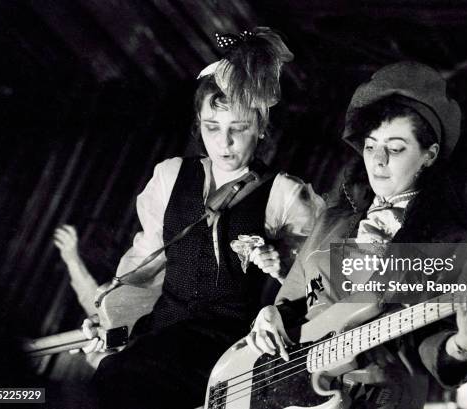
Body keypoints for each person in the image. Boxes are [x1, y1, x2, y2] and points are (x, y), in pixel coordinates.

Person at [88, 27, 325, 409]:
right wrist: (109, 311)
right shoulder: (170, 176)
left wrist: (280, 263)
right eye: (211, 127)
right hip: (161, 331)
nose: (223, 142)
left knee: (126, 379)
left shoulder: (283, 193)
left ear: (261, 128)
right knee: (112, 378)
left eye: (238, 129)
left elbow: (312, 280)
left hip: (225, 347)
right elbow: (146, 260)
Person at [246, 61, 467, 409]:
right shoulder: (332, 220)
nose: (378, 160)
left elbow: (429, 341)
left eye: (395, 149)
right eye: (370, 145)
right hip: (298, 394)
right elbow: (291, 303)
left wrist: (465, 344)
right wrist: (271, 316)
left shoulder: (451, 243)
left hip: (378, 397)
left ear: (429, 155)